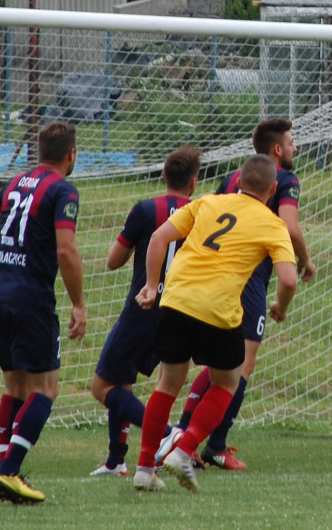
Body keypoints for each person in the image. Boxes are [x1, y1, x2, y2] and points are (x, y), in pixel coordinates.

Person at [133, 154, 297, 494]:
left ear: (237, 181)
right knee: (226, 383)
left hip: (176, 300)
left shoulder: (207, 202)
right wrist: (280, 305)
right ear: (273, 188)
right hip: (217, 310)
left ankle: (144, 469)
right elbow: (289, 279)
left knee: (167, 384)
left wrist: (150, 285)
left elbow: (159, 238)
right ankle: (184, 449)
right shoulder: (272, 224)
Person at [161, 118, 315, 472]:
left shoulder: (235, 177)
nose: (295, 148)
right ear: (277, 150)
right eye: (291, 142)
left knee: (221, 367)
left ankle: (185, 433)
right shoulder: (284, 180)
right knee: (239, 367)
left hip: (212, 276)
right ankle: (212, 443)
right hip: (249, 278)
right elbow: (289, 227)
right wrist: (305, 260)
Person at [0, 122, 86, 503]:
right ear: (71, 154)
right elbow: (66, 251)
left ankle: (8, 472)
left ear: (39, 152)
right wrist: (79, 304)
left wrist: (0, 275)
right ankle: (8, 471)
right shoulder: (62, 190)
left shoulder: (14, 184)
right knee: (45, 389)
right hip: (32, 299)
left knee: (15, 389)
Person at [88, 146, 200, 478]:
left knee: (102, 386)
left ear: (164, 176)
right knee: (123, 382)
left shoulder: (145, 210)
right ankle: (115, 460)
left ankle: (168, 434)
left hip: (144, 308)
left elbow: (113, 261)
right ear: (193, 182)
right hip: (182, 312)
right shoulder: (201, 213)